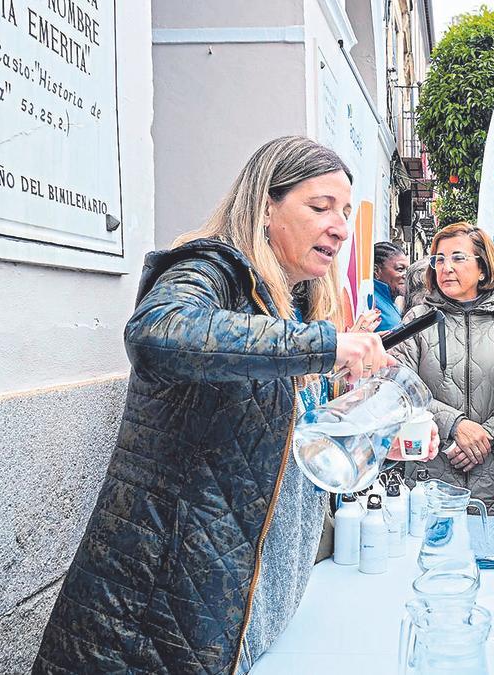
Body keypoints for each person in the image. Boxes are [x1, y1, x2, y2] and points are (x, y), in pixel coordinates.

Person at [32, 137, 439, 674]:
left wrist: (372, 423)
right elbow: (156, 332)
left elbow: (286, 445)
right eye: (321, 208)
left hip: (250, 615)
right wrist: (325, 346)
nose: (340, 228)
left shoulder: (295, 305)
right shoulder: (212, 267)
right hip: (158, 623)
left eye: (344, 212)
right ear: (266, 207)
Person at [391, 223, 494, 515]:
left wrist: (488, 437)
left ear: (483, 268)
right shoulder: (417, 320)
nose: (446, 268)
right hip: (431, 480)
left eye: (458, 257)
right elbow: (398, 386)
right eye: (439, 259)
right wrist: (455, 425)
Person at [371, 241, 408, 332]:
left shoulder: (387, 300)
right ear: (376, 271)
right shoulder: (371, 302)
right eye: (400, 269)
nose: (406, 275)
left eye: (407, 270)